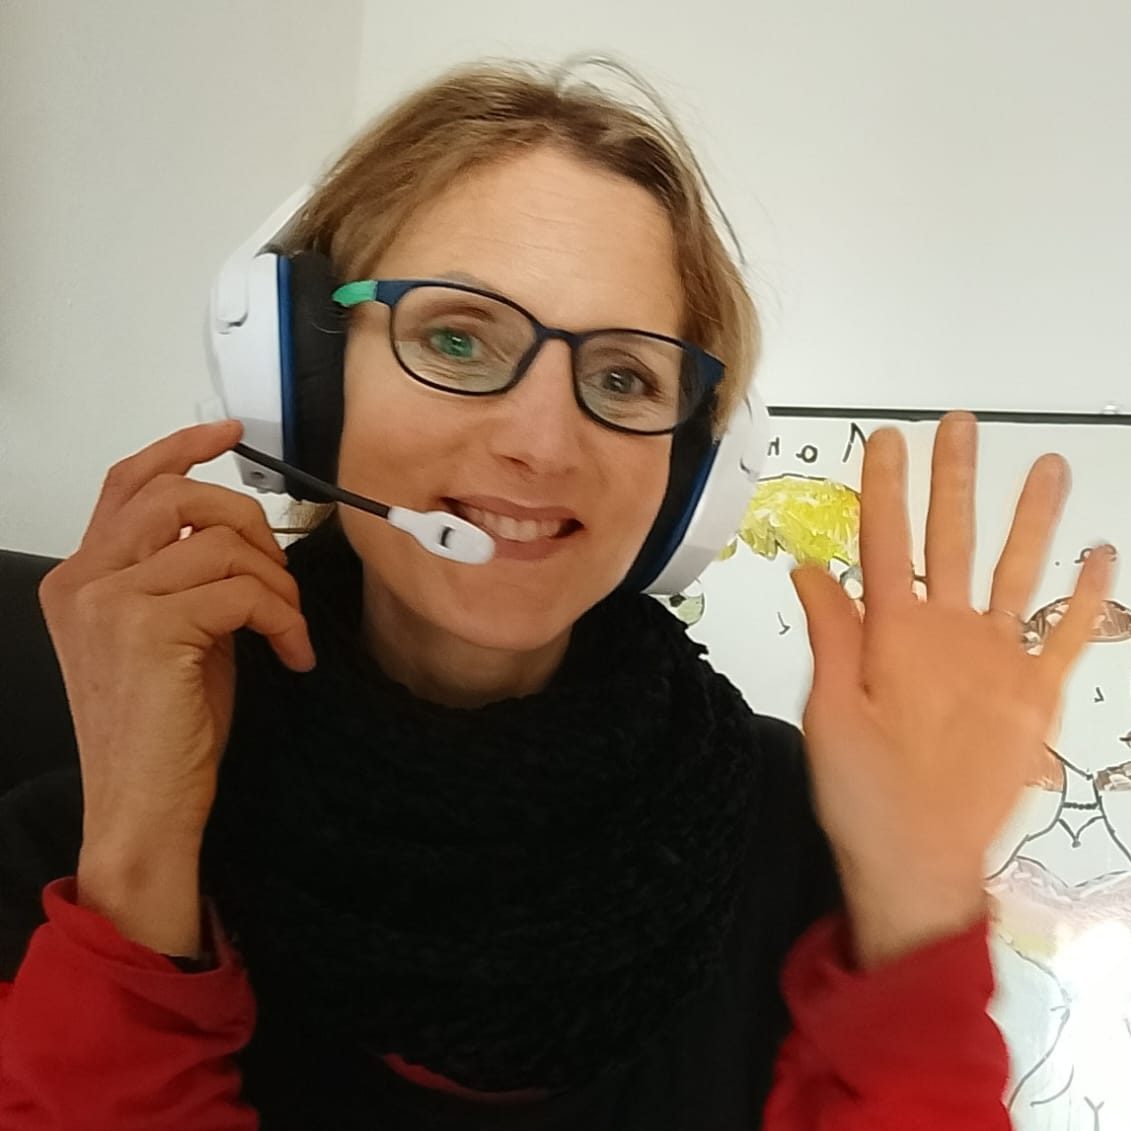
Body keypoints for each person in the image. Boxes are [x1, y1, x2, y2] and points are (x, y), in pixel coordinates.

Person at [0, 59, 1114, 1130]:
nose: (541, 442)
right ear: (303, 377)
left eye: (623, 376)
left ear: (691, 473)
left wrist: (919, 907)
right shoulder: (100, 824)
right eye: (456, 337)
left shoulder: (801, 828)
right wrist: (140, 866)